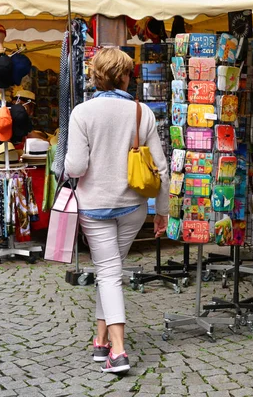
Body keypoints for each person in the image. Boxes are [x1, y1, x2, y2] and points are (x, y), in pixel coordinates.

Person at [64, 48, 169, 375]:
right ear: (125, 75)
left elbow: (76, 166)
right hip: (133, 206)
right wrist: (162, 211)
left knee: (108, 273)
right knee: (110, 271)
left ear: (95, 76)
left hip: (95, 205)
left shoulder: (82, 112)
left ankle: (119, 352)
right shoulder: (142, 112)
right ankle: (100, 340)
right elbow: (162, 170)